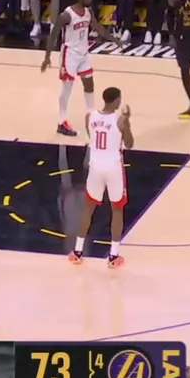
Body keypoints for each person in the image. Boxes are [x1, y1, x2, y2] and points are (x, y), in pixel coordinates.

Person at [41, 0, 118, 137]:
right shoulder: (66, 15)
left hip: (83, 53)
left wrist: (114, 40)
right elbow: (53, 35)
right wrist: (47, 57)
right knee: (67, 89)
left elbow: (98, 28)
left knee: (89, 84)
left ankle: (92, 117)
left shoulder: (88, 12)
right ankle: (61, 122)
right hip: (70, 54)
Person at [69, 87, 133, 268]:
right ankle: (113, 256)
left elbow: (92, 138)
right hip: (113, 168)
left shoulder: (89, 117)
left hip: (95, 166)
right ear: (116, 101)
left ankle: (77, 251)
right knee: (117, 210)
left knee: (88, 209)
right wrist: (127, 123)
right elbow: (129, 144)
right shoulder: (120, 120)